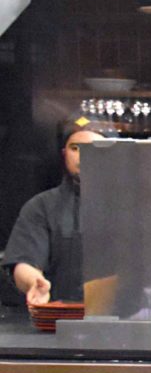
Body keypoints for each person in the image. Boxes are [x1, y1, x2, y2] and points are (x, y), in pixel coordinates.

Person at [3, 127, 97, 305]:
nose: (83, 155)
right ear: (64, 154)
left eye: (94, 148)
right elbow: (24, 261)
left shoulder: (133, 204)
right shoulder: (41, 206)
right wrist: (34, 282)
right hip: (58, 314)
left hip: (130, 316)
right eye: (75, 148)